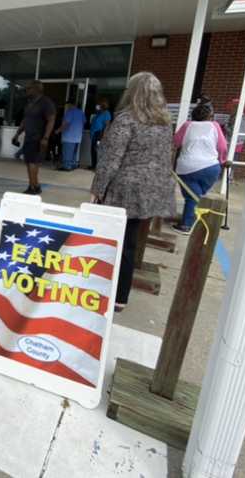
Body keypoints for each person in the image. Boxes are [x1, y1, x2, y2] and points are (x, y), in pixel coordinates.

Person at [91, 72, 175, 312]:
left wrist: (97, 189)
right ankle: (120, 297)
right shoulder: (164, 122)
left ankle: (106, 290)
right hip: (151, 189)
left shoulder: (126, 119)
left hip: (125, 189)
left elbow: (111, 159)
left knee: (112, 242)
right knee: (130, 244)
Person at [172, 102, 228, 234]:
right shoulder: (215, 126)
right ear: (210, 116)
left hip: (188, 168)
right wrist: (222, 160)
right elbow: (222, 147)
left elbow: (175, 142)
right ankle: (193, 218)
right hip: (211, 168)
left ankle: (186, 225)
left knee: (192, 197)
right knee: (198, 196)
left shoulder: (187, 125)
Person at [12, 81, 56, 194]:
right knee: (29, 162)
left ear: (37, 89)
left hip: (38, 138)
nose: (26, 90)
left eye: (28, 88)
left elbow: (51, 120)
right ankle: (35, 186)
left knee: (33, 163)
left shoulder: (46, 102)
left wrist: (45, 138)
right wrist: (17, 134)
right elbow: (25, 120)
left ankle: (33, 187)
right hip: (28, 137)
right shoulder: (29, 103)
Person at [57, 100, 86, 171]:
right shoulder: (81, 113)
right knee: (74, 153)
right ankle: (73, 165)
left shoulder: (69, 112)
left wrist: (58, 130)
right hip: (77, 137)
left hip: (69, 137)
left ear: (70, 105)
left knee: (67, 152)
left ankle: (66, 166)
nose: (66, 107)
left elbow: (65, 124)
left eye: (67, 105)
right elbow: (84, 122)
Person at [89, 98, 112, 170]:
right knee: (93, 150)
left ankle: (97, 167)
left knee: (97, 150)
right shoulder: (98, 113)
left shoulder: (106, 113)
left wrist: (103, 136)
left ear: (102, 105)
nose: (97, 106)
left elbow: (107, 125)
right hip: (94, 134)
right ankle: (93, 165)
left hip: (99, 134)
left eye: (98, 104)